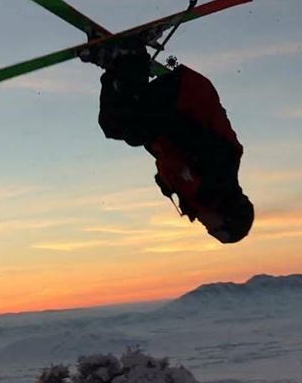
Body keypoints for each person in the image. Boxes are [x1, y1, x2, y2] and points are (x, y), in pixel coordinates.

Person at [92, 43, 253, 244]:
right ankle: (128, 58)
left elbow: (170, 158)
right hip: (185, 93)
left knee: (114, 125)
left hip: (177, 102)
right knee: (130, 126)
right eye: (217, 230)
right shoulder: (220, 172)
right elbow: (187, 133)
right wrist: (151, 128)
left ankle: (117, 64)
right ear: (227, 216)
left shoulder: (200, 196)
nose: (209, 230)